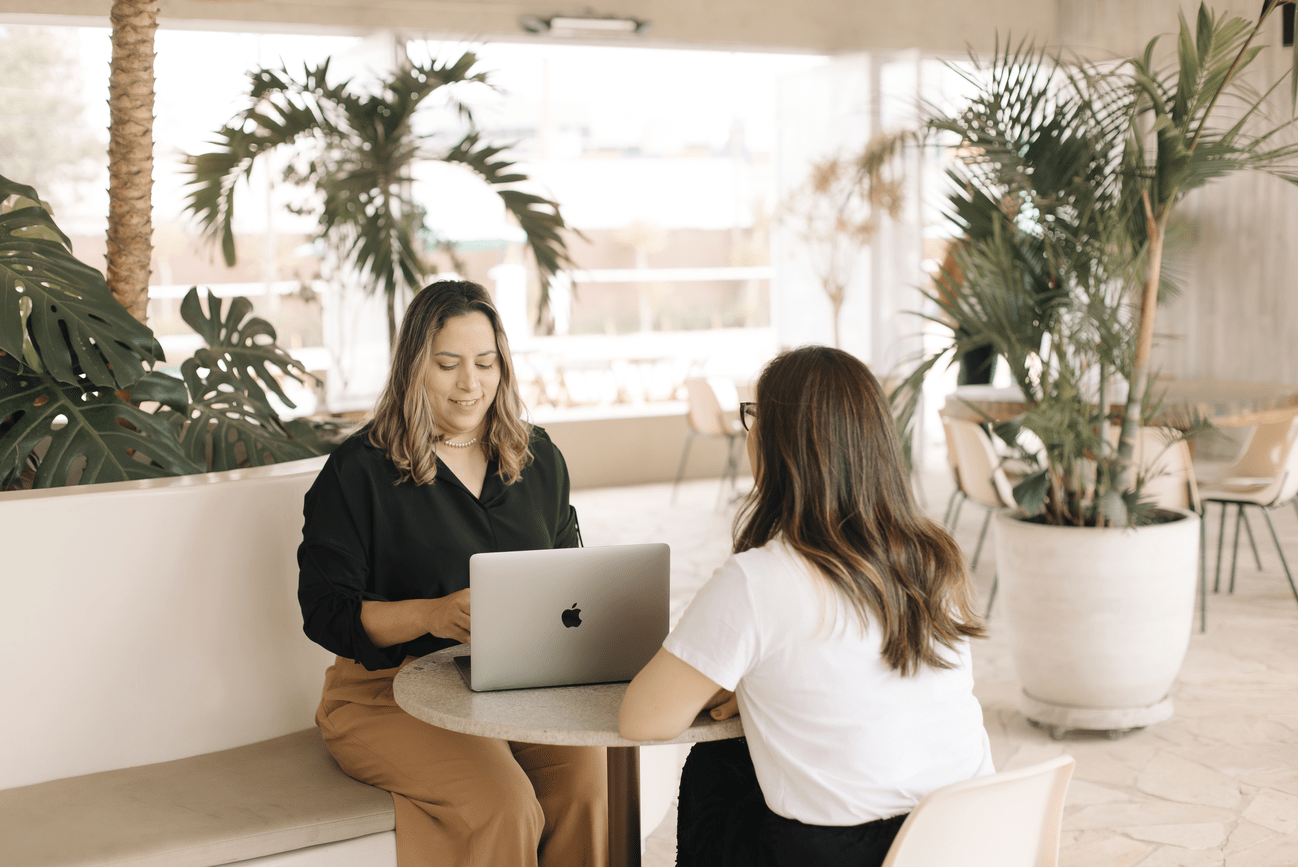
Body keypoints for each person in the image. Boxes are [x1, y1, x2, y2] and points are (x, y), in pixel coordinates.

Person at [619, 345, 993, 867]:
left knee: (719, 763)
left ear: (778, 443)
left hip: (850, 854)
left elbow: (643, 719)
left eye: (753, 416)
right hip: (971, 841)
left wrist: (742, 682)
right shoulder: (936, 557)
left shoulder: (759, 579)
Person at [297, 281, 607, 867]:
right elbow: (324, 611)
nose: (471, 383)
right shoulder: (358, 470)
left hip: (514, 689)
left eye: (485, 363)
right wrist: (432, 614)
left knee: (589, 783)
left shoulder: (537, 458)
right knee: (503, 804)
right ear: (415, 366)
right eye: (448, 364)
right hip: (386, 696)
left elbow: (573, 580)